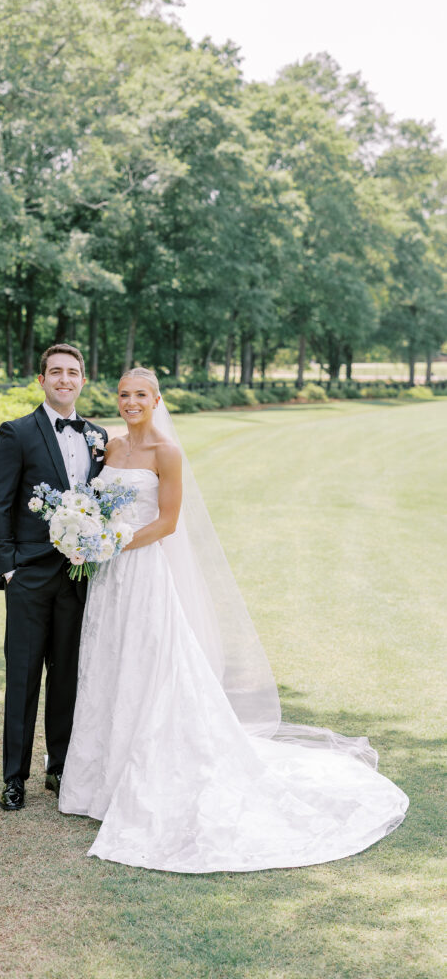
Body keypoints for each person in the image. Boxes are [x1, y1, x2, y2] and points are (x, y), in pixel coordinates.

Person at [59, 367, 408, 872]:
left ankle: (153, 772)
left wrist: (111, 541)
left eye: (140, 395)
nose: (130, 402)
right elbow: (95, 503)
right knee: (108, 660)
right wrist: (87, 534)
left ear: (157, 400)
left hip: (141, 570)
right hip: (108, 579)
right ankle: (97, 783)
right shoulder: (110, 449)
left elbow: (167, 521)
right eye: (123, 394)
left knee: (150, 662)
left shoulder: (167, 453)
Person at [0, 344, 108, 811]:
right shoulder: (16, 433)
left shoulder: (98, 436)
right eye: (55, 372)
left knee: (68, 678)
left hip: (79, 578)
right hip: (30, 576)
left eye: (72, 372)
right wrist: (9, 568)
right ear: (41, 380)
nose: (64, 379)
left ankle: (60, 769)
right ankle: (14, 779)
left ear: (82, 380)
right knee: (23, 678)